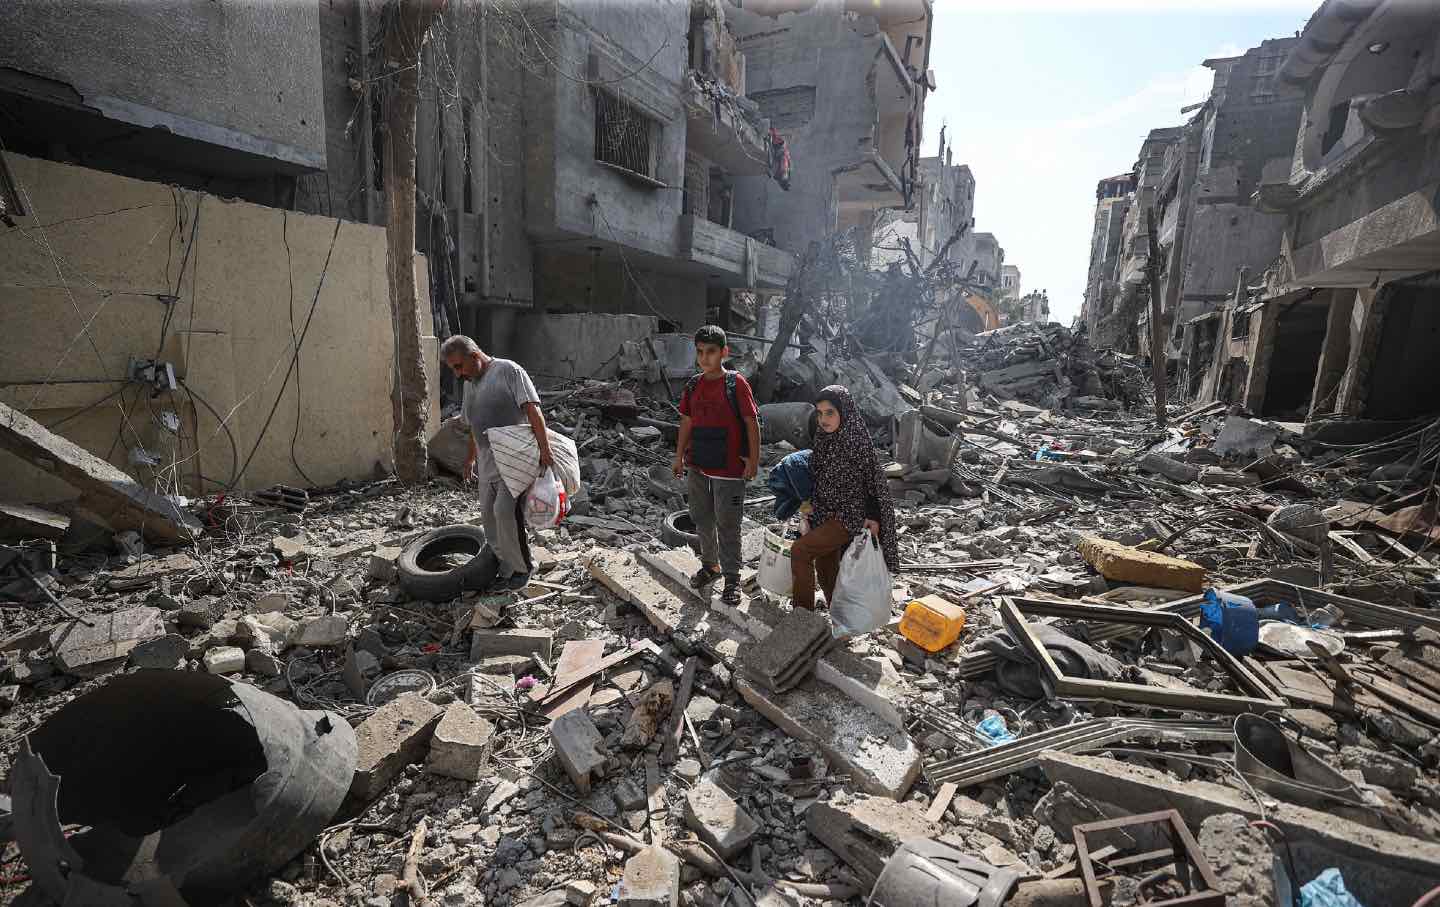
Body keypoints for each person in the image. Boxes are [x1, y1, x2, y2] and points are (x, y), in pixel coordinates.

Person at [441, 334, 553, 591]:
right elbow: (473, 426)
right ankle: (506, 565)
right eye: (452, 369)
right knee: (489, 518)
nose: (457, 374)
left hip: (515, 456)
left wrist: (545, 450)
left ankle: (524, 568)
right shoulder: (470, 383)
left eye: (459, 366)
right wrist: (470, 459)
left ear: (474, 356)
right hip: (487, 459)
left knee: (505, 510)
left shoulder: (508, 371)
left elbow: (533, 411)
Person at [672, 325, 760, 607]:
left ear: (724, 352)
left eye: (711, 352)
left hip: (730, 469)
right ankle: (711, 566)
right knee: (701, 518)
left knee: (728, 523)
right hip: (698, 465)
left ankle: (732, 578)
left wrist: (753, 460)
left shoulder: (736, 384)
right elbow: (687, 421)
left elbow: (751, 422)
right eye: (700, 352)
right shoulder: (693, 385)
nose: (705, 358)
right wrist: (678, 457)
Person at [790, 385, 899, 611]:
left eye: (830, 412)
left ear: (844, 411)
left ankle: (802, 619)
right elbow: (817, 476)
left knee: (800, 551)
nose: (823, 419)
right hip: (823, 512)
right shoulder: (823, 438)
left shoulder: (856, 440)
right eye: (819, 413)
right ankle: (842, 620)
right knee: (826, 569)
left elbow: (873, 481)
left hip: (848, 515)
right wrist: (807, 509)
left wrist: (873, 515)